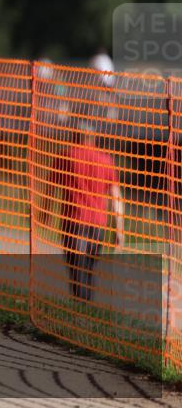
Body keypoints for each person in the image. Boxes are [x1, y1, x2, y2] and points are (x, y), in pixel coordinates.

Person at [50, 121, 125, 302]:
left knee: (76, 269)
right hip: (98, 225)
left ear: (74, 136)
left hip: (73, 223)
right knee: (89, 268)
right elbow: (116, 198)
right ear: (93, 138)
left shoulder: (66, 156)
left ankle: (80, 308)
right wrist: (119, 230)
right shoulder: (106, 161)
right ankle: (87, 308)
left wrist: (44, 214)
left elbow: (51, 188)